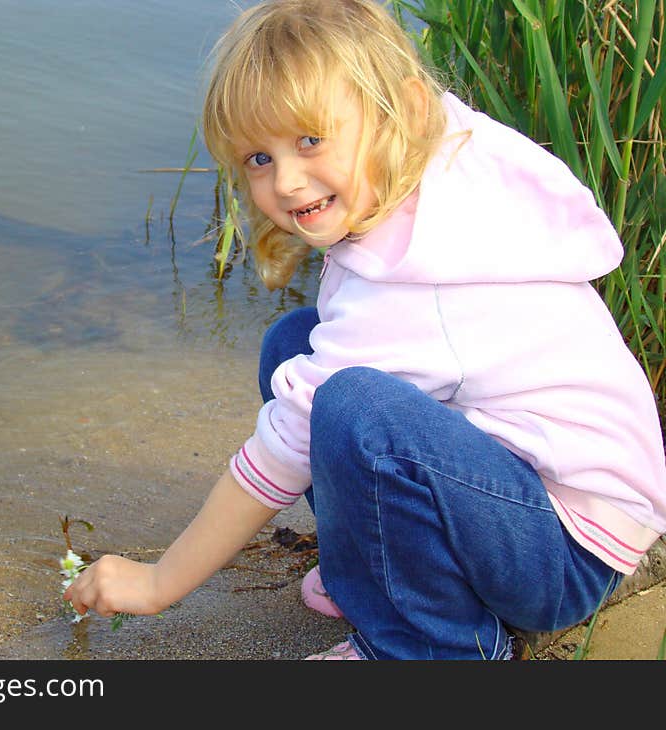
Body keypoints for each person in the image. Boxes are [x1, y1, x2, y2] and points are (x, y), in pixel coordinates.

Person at [64, 0, 666, 659]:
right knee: (293, 344)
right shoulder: (436, 152)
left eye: (311, 141)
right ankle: (383, 577)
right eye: (259, 158)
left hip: (565, 552)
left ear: (400, 113)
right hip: (530, 499)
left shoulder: (413, 286)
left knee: (348, 404)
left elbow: (282, 450)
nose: (287, 181)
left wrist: (158, 582)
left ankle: (431, 645)